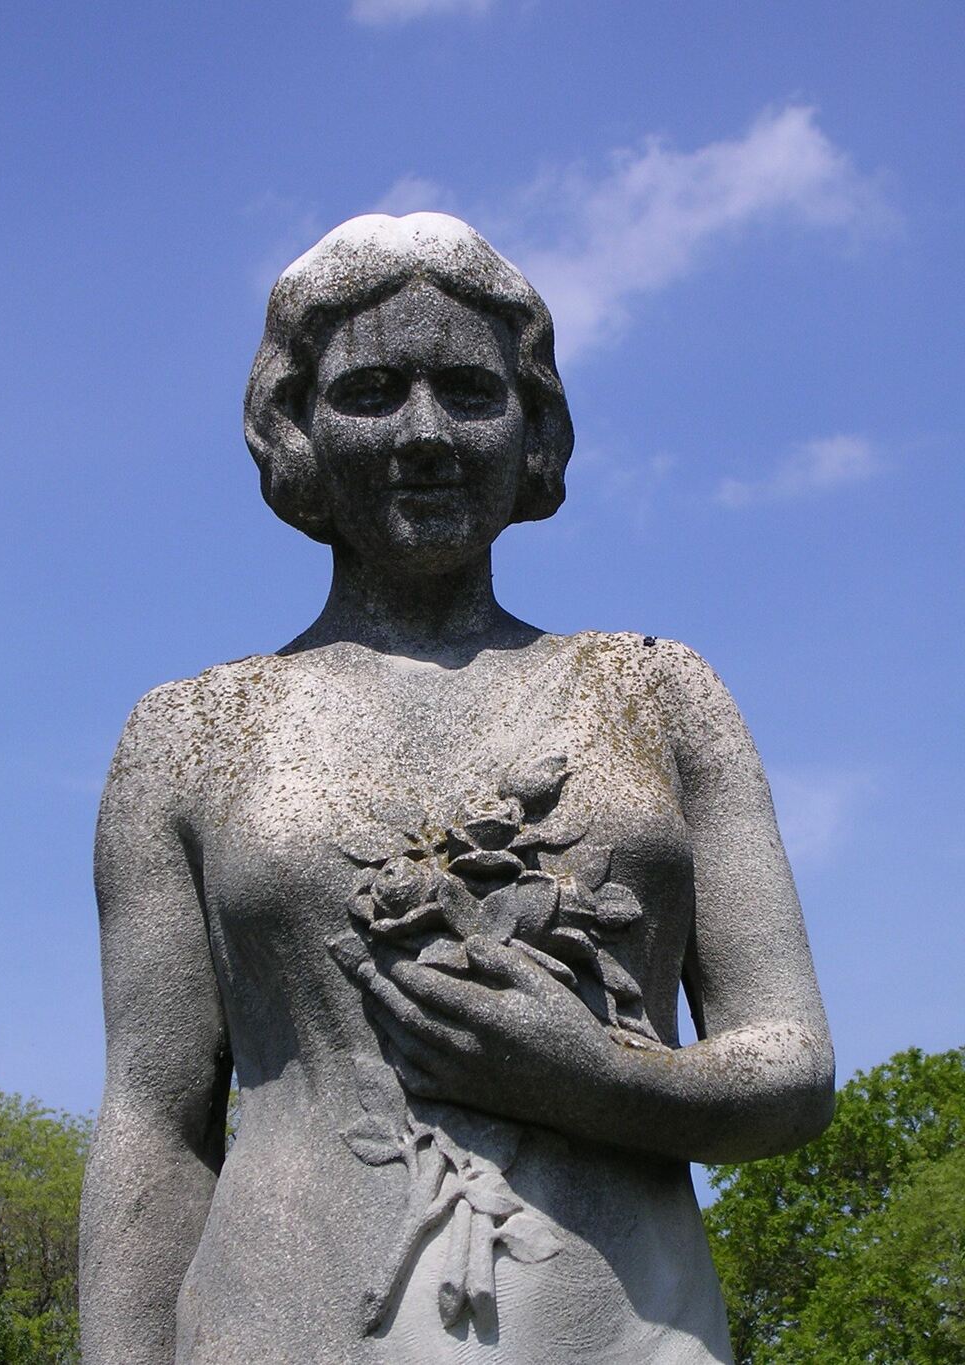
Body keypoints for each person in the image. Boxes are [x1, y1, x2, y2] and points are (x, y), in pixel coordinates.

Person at [80, 213, 834, 1365]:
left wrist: (593, 1077)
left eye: (470, 392)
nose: (424, 432)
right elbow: (153, 1124)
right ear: (294, 425)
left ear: (534, 426)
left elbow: (791, 1065)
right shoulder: (190, 735)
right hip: (284, 1328)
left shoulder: (657, 694)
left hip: (622, 1330)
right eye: (371, 392)